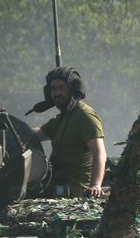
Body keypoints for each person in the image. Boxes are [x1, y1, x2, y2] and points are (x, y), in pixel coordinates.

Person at [32, 66, 106, 198]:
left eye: (61, 88)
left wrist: (96, 185)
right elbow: (32, 135)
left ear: (73, 89)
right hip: (54, 187)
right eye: (53, 89)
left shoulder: (85, 116)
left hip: (76, 192)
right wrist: (2, 122)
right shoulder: (61, 118)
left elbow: (99, 153)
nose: (56, 93)